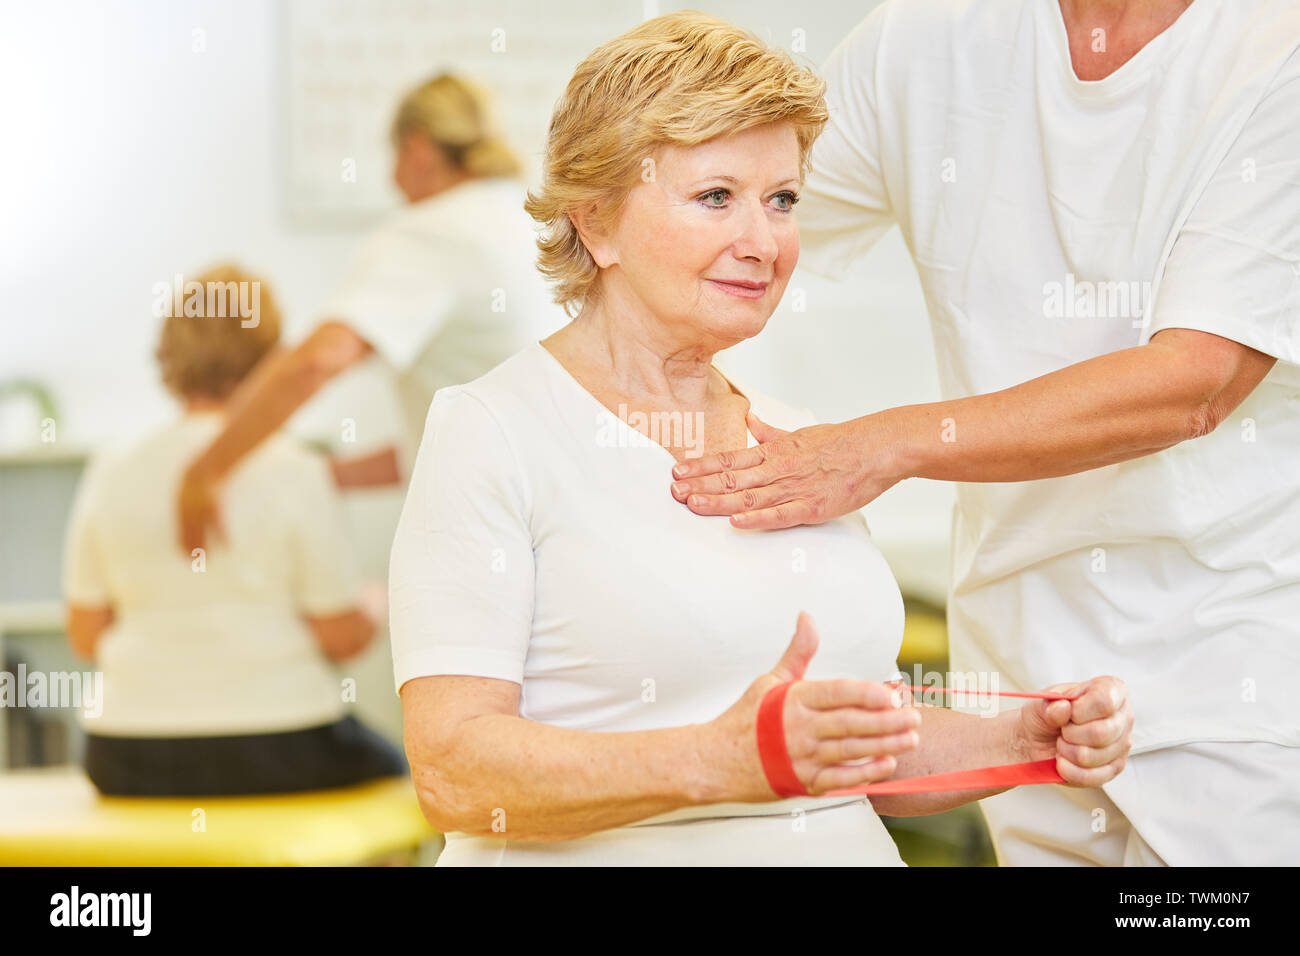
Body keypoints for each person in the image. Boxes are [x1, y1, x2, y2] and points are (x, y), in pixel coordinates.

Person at [390, 12, 1132, 866]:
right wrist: (716, 763)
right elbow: (454, 773)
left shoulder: (801, 445)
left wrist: (1023, 740)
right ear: (595, 223)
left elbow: (854, 751)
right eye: (716, 197)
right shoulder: (491, 431)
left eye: (782, 200)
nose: (764, 243)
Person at [667, 0, 1300, 865]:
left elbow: (1198, 381)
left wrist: (881, 446)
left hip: (1235, 670)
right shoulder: (922, 40)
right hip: (1018, 681)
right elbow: (715, 223)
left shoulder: (1275, 52)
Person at [176, 73, 565, 553]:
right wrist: (322, 475)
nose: (392, 182)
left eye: (392, 158)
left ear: (417, 150)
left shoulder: (433, 230)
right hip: (559, 520)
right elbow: (462, 442)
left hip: (494, 537)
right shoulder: (531, 223)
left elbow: (316, 362)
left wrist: (204, 473)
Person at [63, 265, 406, 796]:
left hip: (125, 755)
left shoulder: (110, 468)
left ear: (169, 355)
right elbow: (341, 637)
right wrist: (377, 602)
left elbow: (85, 635)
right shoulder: (295, 467)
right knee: (395, 774)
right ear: (271, 358)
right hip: (280, 742)